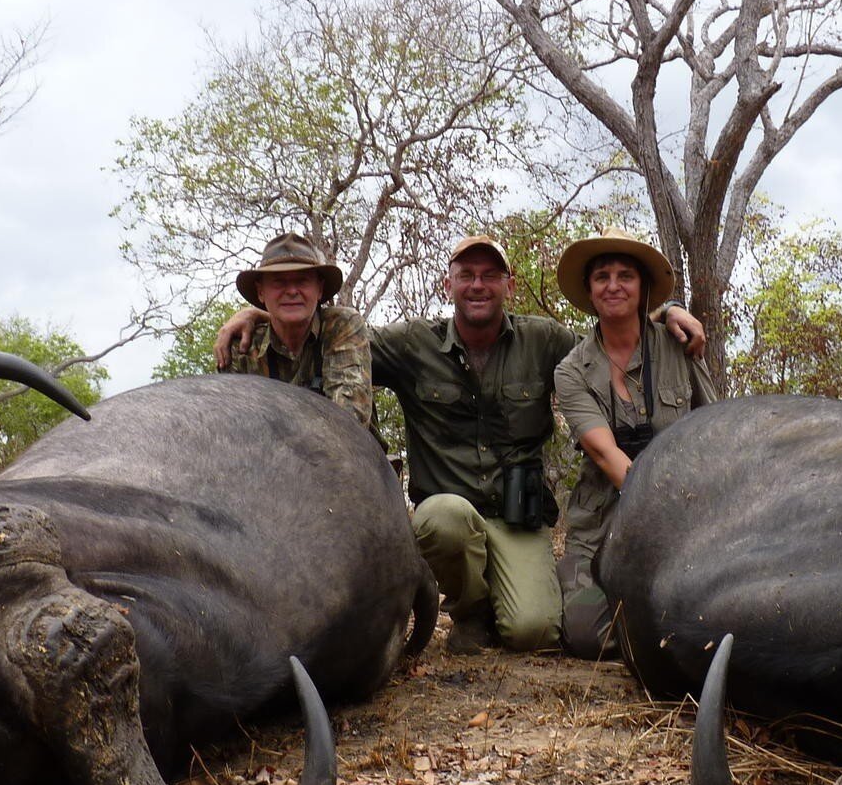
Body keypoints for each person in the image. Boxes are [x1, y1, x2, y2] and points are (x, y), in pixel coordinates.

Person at [215, 233, 706, 653]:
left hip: (518, 516)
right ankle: (469, 613)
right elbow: (327, 335)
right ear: (447, 284)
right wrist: (261, 315)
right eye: (465, 274)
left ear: (508, 286)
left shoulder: (547, 341)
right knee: (443, 519)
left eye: (490, 275)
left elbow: (608, 337)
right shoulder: (409, 343)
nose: (477, 285)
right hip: (448, 514)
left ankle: (510, 599)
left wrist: (665, 312)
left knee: (535, 631)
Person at [552, 230, 716, 658]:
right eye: (602, 276)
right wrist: (661, 516)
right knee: (589, 636)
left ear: (642, 287)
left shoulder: (679, 345)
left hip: (686, 511)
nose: (613, 285)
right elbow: (606, 455)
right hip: (606, 520)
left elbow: (716, 428)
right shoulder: (572, 372)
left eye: (626, 275)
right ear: (589, 290)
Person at [222, 232, 372, 425]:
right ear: (261, 291)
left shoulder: (341, 327)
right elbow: (232, 429)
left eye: (302, 281)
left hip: (343, 453)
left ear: (319, 289)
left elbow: (348, 423)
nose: (292, 291)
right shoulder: (241, 348)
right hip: (263, 455)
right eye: (279, 282)